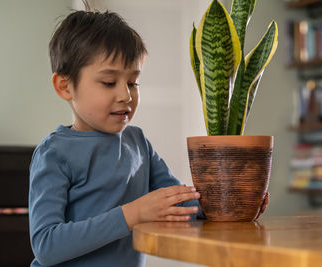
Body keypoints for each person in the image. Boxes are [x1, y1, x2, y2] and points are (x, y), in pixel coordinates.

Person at [29, 8, 269, 267]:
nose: (126, 95)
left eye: (133, 83)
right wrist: (132, 214)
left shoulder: (138, 143)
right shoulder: (53, 153)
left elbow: (179, 202)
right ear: (65, 86)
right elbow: (46, 245)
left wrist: (230, 204)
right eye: (109, 82)